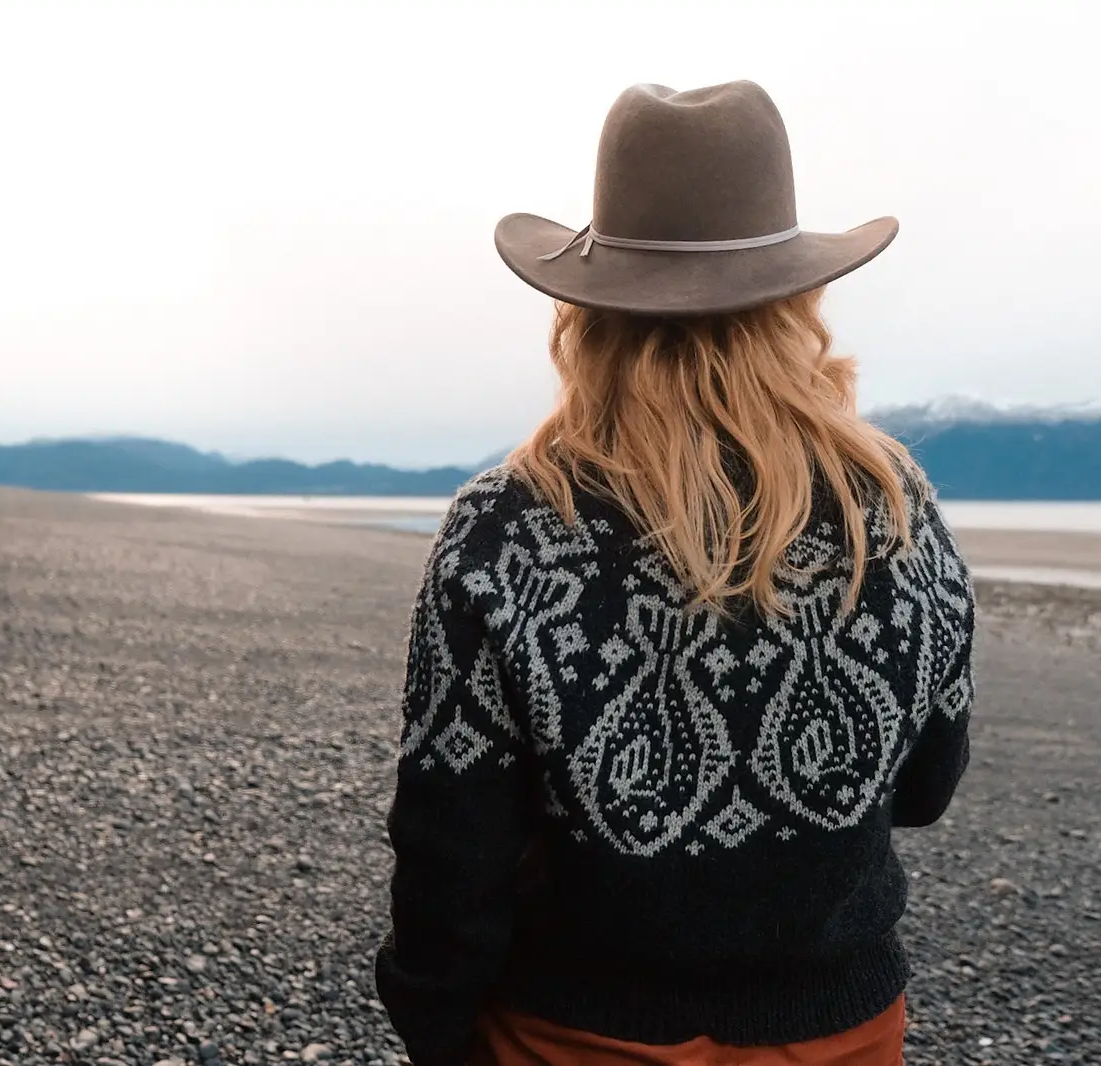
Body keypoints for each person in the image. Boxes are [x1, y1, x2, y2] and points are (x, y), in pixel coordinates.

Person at [375, 80, 976, 1066]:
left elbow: (453, 838)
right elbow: (923, 785)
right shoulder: (890, 500)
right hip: (838, 1031)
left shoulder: (511, 525)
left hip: (573, 1031)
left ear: (588, 310)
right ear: (795, 301)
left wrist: (434, 1019)